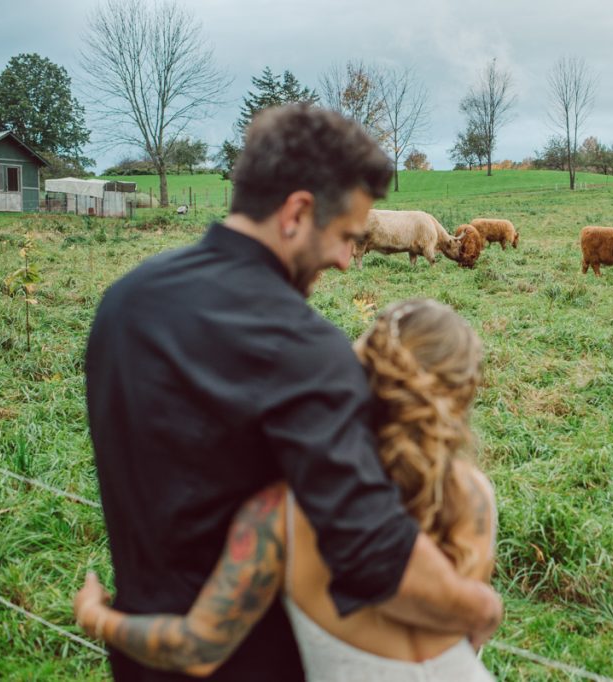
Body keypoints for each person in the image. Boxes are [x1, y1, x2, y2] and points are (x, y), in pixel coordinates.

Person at [82, 104, 501, 681]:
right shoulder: (306, 351)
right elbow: (375, 553)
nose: (346, 264)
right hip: (256, 661)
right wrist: (480, 605)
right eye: (346, 237)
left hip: (142, 652)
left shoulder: (125, 303)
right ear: (297, 212)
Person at [75, 299, 497, 680]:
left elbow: (199, 646)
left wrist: (97, 617)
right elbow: (469, 641)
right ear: (461, 398)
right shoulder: (475, 498)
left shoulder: (285, 509)